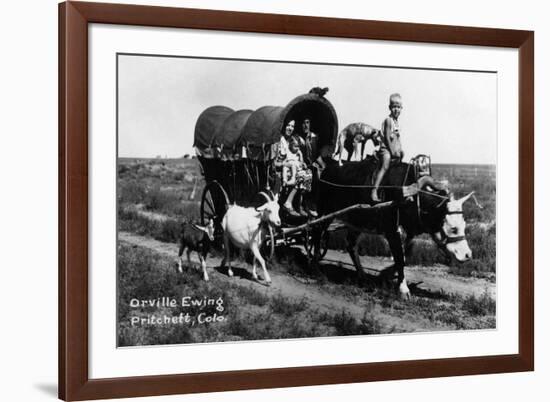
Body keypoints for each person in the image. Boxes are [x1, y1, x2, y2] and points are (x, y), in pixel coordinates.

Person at [371, 93, 405, 202]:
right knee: (386, 163)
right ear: (390, 108)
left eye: (398, 107)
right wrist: (392, 151)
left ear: (401, 108)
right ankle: (374, 190)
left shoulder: (396, 122)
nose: (396, 110)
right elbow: (386, 137)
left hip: (393, 149)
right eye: (394, 107)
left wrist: (400, 150)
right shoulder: (388, 121)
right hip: (385, 148)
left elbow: (397, 139)